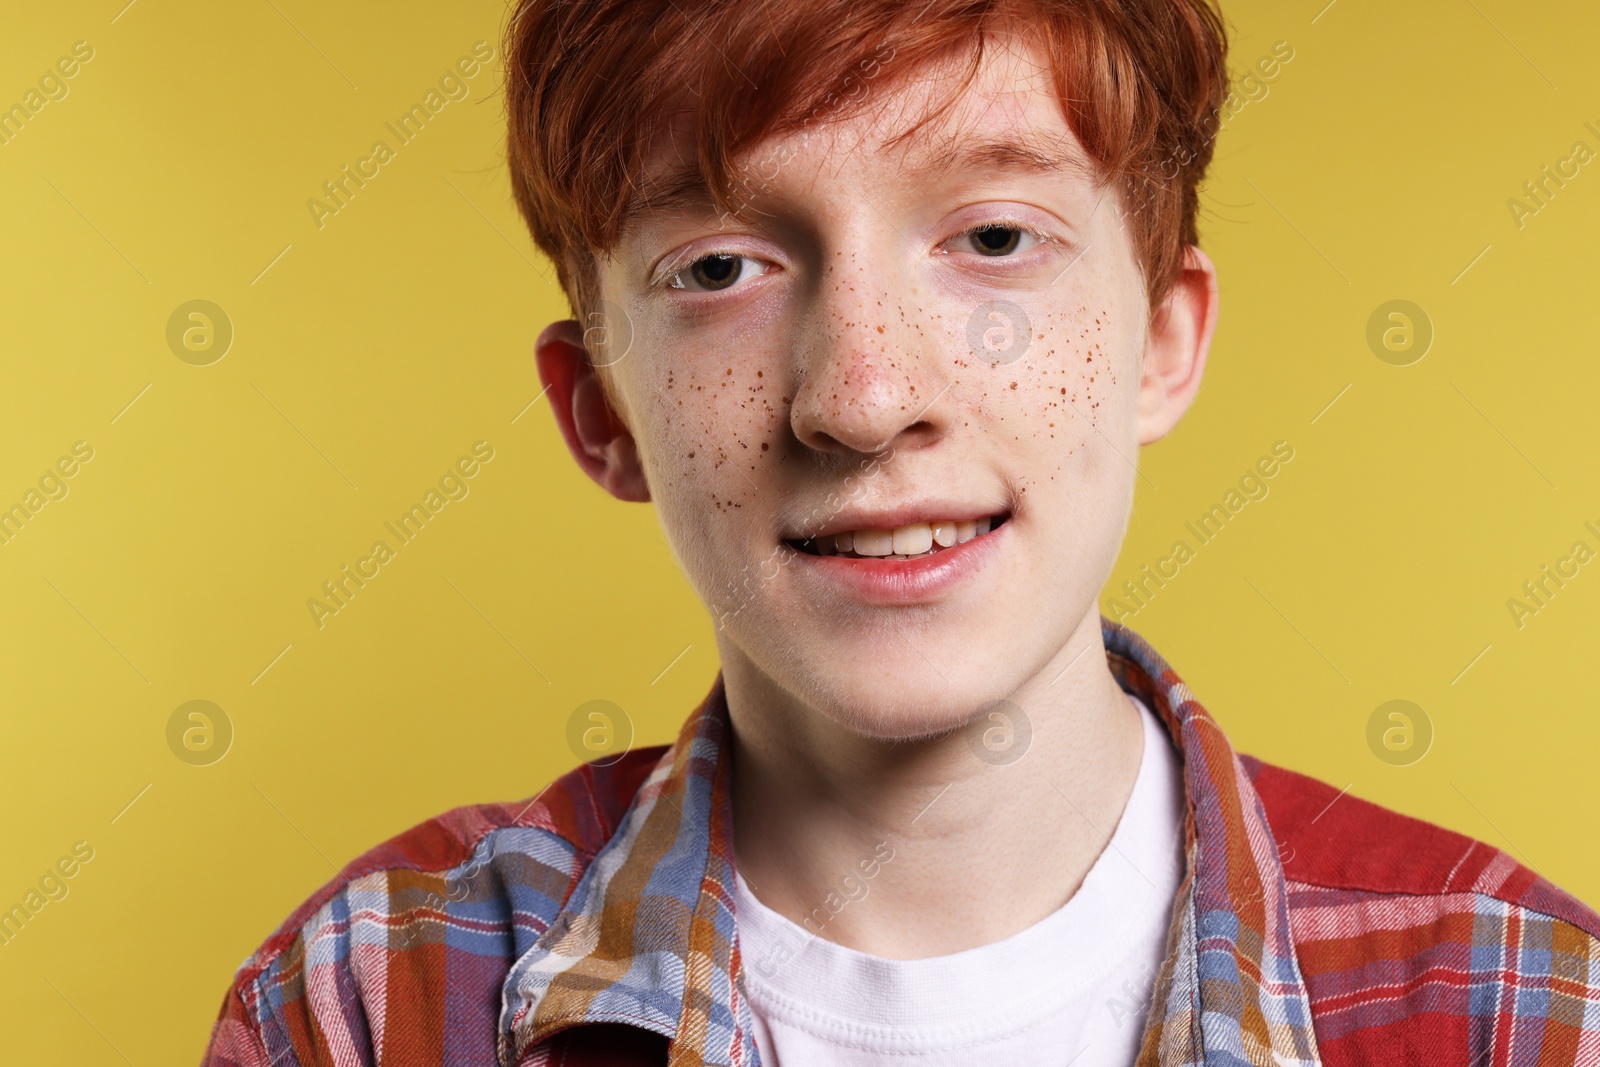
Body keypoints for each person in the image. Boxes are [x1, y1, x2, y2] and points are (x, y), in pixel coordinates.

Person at [200, 0, 1600, 1064]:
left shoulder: (1516, 1005)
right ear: (602, 410)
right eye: (722, 268)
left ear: (1163, 341)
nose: (865, 401)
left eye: (994, 240)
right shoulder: (375, 999)